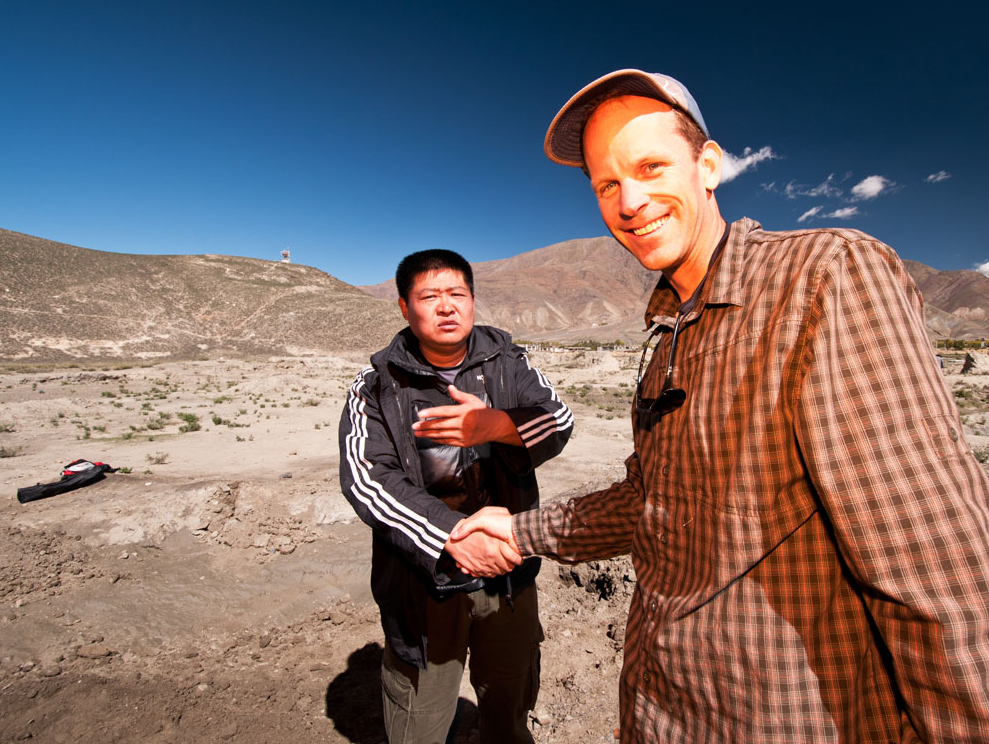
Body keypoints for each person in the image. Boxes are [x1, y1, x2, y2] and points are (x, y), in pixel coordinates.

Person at [450, 69, 989, 742]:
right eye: (607, 184)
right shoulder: (671, 332)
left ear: (708, 165)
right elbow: (653, 502)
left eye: (651, 167)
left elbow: (932, 564)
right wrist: (516, 532)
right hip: (662, 712)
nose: (630, 201)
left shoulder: (821, 278)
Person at [338, 248, 573, 743]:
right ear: (405, 307)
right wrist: (451, 536)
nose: (447, 307)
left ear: (472, 300)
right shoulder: (376, 385)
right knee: (418, 717)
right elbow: (368, 479)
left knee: (509, 703)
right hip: (426, 584)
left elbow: (560, 420)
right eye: (430, 296)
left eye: (457, 294)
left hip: (510, 575)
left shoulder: (510, 364)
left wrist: (499, 424)